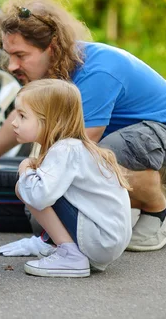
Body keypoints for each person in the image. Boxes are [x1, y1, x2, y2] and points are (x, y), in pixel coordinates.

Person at [0, 0, 166, 252]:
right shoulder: (52, 72)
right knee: (40, 221)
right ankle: (147, 179)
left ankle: (157, 208)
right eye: (9, 55)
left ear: (51, 48)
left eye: (21, 55)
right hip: (136, 142)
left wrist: (40, 179)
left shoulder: (96, 71)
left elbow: (78, 148)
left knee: (99, 158)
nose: (11, 66)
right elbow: (23, 115)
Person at [12, 79, 132, 277]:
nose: (15, 122)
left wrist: (25, 169)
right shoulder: (73, 147)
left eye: (23, 116)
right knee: (36, 185)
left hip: (100, 239)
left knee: (26, 186)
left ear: (51, 120)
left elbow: (39, 196)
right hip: (106, 240)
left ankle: (70, 255)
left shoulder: (65, 149)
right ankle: (61, 247)